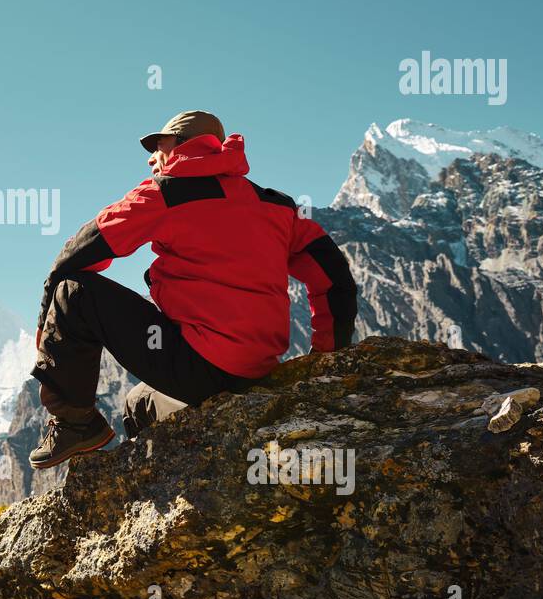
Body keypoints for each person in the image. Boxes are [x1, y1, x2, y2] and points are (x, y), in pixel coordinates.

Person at [29, 110, 358, 469]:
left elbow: (79, 251)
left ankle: (75, 424)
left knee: (73, 291)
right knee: (138, 402)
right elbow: (334, 278)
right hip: (252, 371)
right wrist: (328, 357)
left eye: (160, 145)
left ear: (183, 146)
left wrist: (46, 329)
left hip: (199, 366)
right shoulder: (275, 205)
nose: (152, 157)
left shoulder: (167, 193)